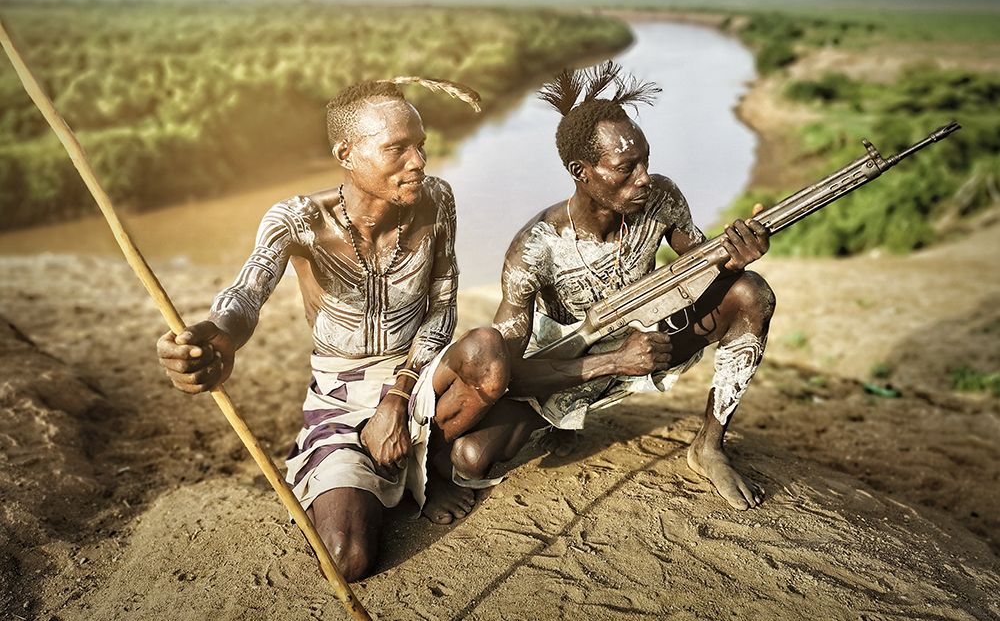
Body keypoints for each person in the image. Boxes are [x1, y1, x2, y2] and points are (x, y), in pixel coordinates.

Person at [156, 77, 508, 580]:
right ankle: (376, 466)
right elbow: (246, 292)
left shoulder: (437, 200)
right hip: (340, 397)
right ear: (346, 152)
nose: (419, 162)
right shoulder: (298, 220)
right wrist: (219, 333)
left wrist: (399, 396)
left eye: (421, 146)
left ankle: (435, 464)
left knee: (487, 352)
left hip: (418, 375)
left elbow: (443, 305)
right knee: (348, 558)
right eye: (398, 148)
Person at [450, 61, 775, 511]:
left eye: (645, 161)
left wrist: (734, 257)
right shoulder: (535, 249)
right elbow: (508, 372)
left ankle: (709, 446)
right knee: (473, 457)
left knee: (749, 292)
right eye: (626, 167)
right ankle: (558, 423)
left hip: (651, 342)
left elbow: (701, 270)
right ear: (581, 171)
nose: (643, 177)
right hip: (572, 368)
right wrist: (615, 361)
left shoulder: (660, 198)